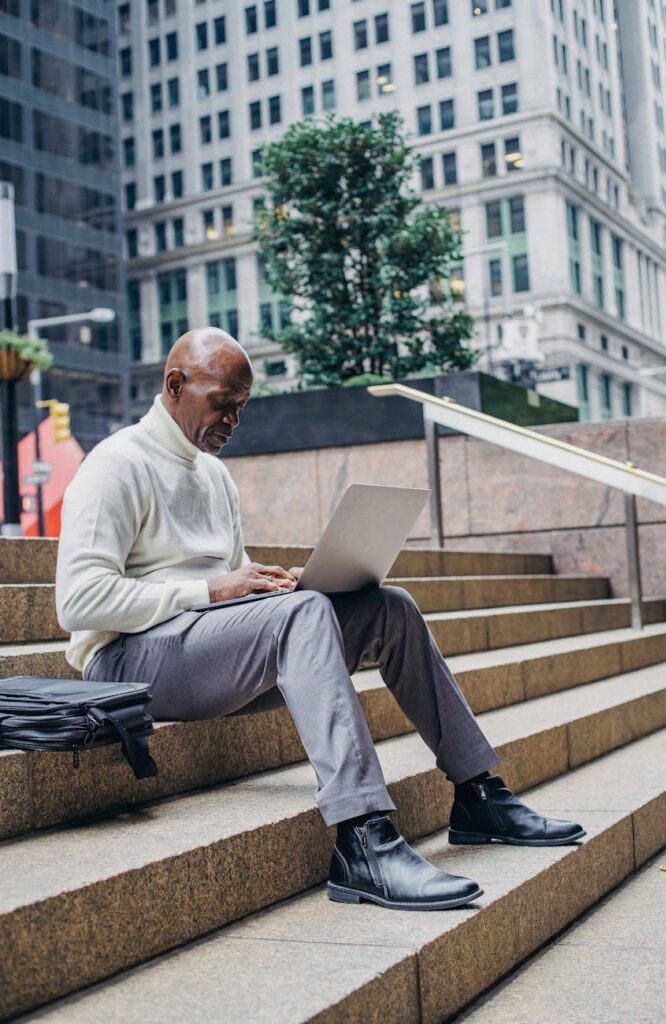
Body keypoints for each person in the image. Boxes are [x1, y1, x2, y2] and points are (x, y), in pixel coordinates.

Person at [56, 328, 585, 912]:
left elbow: (221, 587)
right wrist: (212, 589)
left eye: (241, 408)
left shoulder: (213, 475)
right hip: (126, 665)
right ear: (176, 385)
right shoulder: (116, 464)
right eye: (222, 404)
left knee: (390, 607)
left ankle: (480, 793)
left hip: (198, 650)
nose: (233, 420)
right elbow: (78, 601)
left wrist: (257, 585)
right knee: (303, 613)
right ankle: (363, 839)